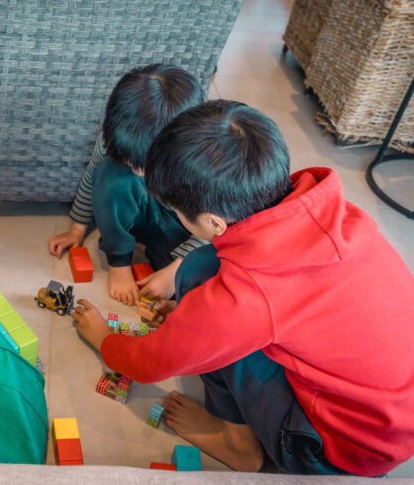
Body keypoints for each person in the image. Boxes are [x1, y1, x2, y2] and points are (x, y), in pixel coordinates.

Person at [71, 100, 414, 476]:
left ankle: (239, 446)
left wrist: (104, 338)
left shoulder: (249, 296)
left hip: (338, 451)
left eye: (176, 213)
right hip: (387, 417)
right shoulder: (332, 213)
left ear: (213, 222)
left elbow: (149, 363)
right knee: (201, 266)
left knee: (212, 317)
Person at [48, 64, 207, 306]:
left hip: (181, 227)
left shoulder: (206, 162)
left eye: (145, 165)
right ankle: (120, 258)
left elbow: (217, 231)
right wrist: (77, 229)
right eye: (129, 160)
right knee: (110, 174)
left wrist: (176, 268)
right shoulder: (116, 137)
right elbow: (94, 176)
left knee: (192, 284)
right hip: (143, 213)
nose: (136, 170)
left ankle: (162, 258)